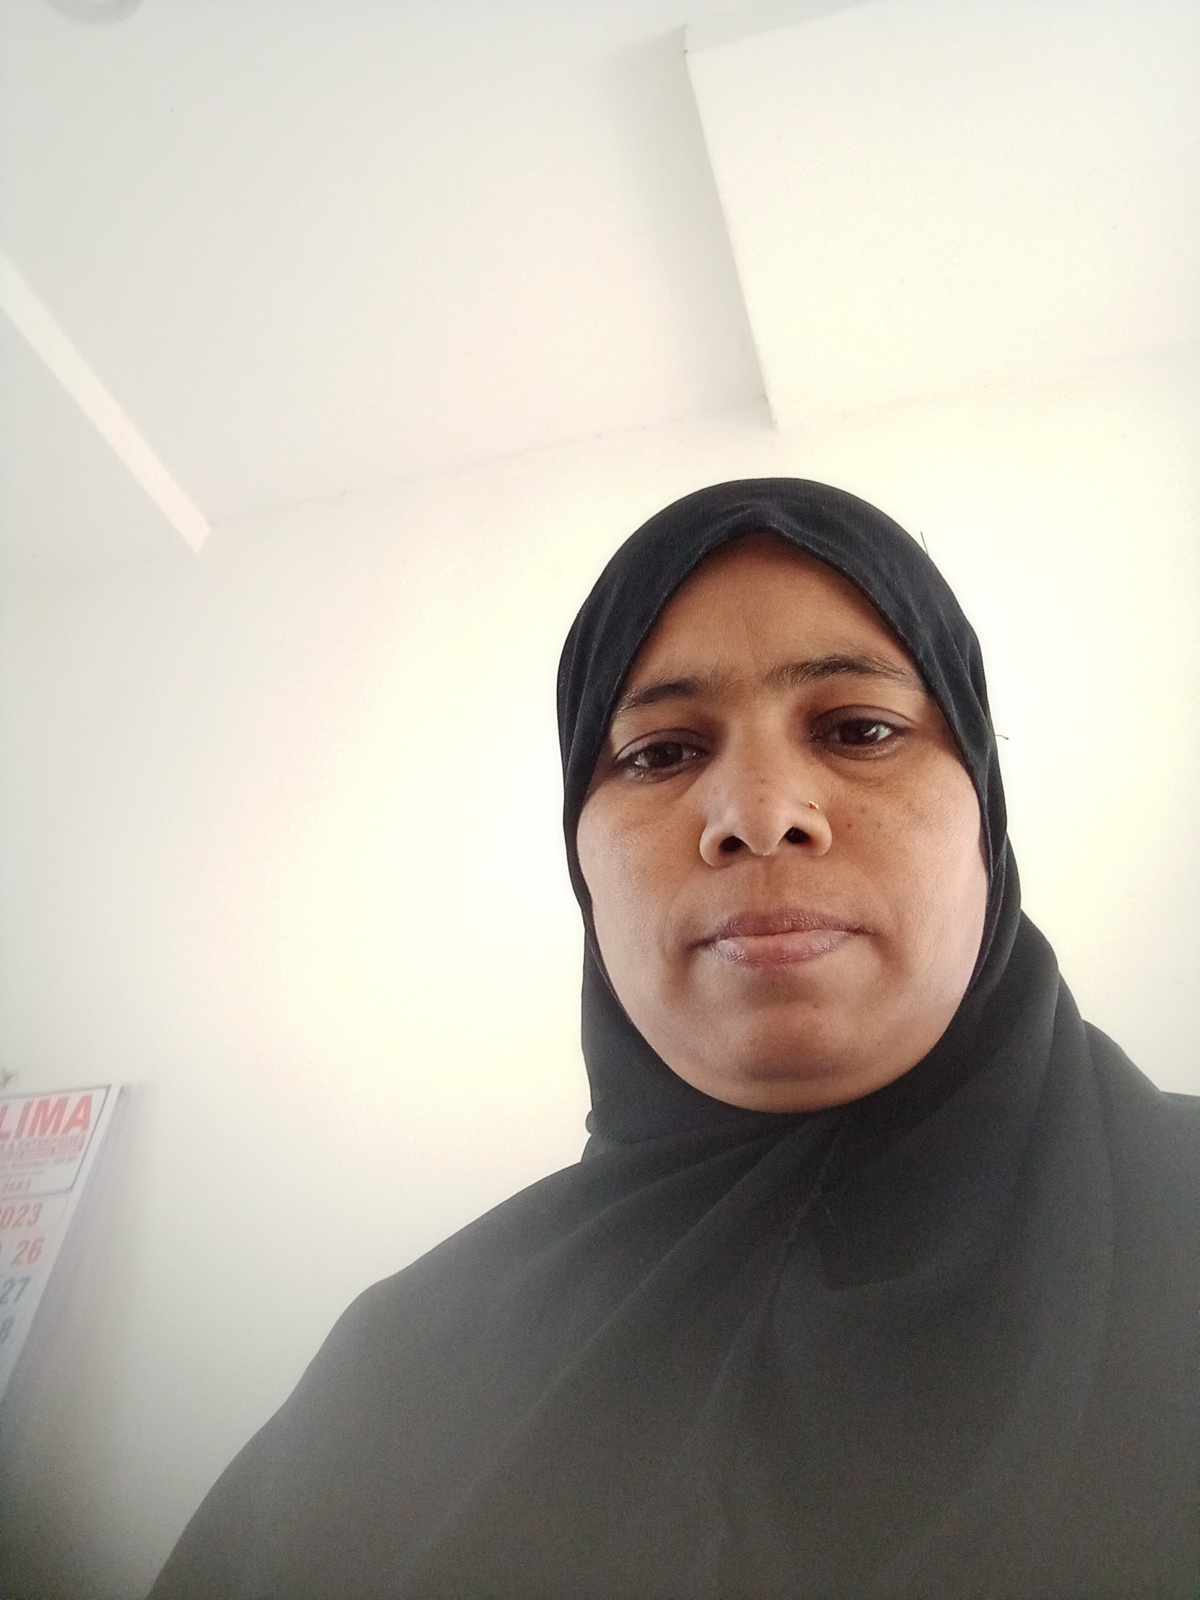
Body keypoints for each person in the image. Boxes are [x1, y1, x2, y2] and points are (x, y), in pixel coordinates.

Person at [148, 478, 1197, 1599]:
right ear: (580, 859)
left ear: (986, 809)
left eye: (859, 729)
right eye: (659, 752)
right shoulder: (402, 1377)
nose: (759, 812)